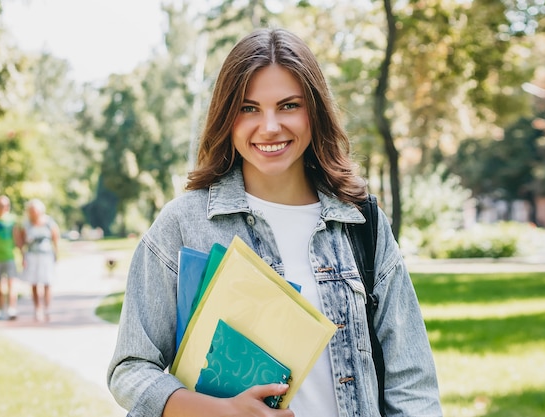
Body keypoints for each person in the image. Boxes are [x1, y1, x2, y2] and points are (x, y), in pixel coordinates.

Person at [108, 28, 442, 417]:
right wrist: (219, 412)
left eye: (288, 106)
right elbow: (130, 369)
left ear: (314, 112)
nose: (269, 127)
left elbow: (412, 383)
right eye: (249, 108)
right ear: (226, 117)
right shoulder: (184, 225)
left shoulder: (360, 221)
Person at [19, 198, 60, 322]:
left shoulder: (49, 222)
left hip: (46, 255)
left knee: (47, 282)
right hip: (32, 255)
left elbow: (55, 238)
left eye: (34, 210)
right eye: (30, 211)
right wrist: (23, 256)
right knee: (34, 283)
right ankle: (37, 308)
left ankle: (47, 308)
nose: (32, 213)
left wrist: (56, 254)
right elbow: (21, 241)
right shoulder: (26, 224)